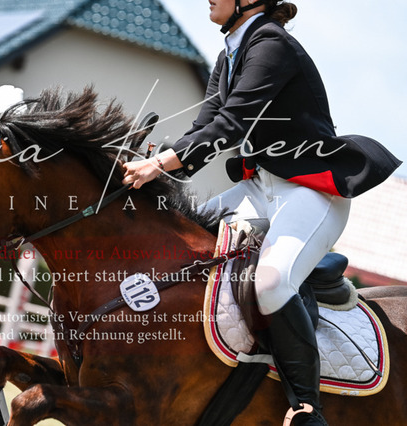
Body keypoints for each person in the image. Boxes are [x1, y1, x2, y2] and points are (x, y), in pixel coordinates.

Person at [122, 1, 401, 425]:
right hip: (259, 188)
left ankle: (307, 408)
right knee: (177, 242)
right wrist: (150, 169)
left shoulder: (273, 45)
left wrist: (158, 165)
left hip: (310, 193)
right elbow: (205, 126)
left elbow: (231, 124)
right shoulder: (230, 54)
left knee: (270, 283)